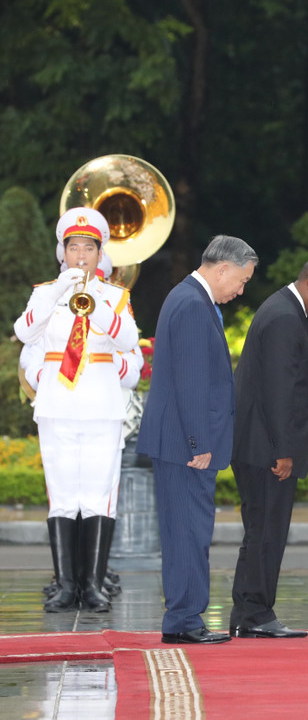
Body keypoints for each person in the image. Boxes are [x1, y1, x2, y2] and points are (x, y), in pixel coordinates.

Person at [13, 208, 139, 613]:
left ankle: (93, 585)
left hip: (101, 407)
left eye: (88, 248)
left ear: (100, 253)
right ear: (62, 252)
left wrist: (96, 302)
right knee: (64, 497)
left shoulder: (115, 296)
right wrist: (56, 295)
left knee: (99, 497)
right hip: (58, 406)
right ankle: (66, 585)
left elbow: (128, 341)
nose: (80, 255)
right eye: (73, 248)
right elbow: (23, 331)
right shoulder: (45, 293)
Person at [137, 235, 258, 645]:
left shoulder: (188, 297)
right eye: (241, 280)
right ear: (222, 269)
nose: (240, 290)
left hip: (179, 442)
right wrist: (198, 442)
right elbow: (190, 381)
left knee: (185, 531)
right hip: (185, 445)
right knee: (188, 532)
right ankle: (185, 620)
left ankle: (183, 617)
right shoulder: (192, 303)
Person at [229, 256, 308, 638]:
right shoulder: (284, 317)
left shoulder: (281, 309)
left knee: (260, 530)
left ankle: (248, 612)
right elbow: (278, 391)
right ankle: (256, 615)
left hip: (259, 444)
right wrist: (283, 450)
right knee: (267, 532)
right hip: (267, 449)